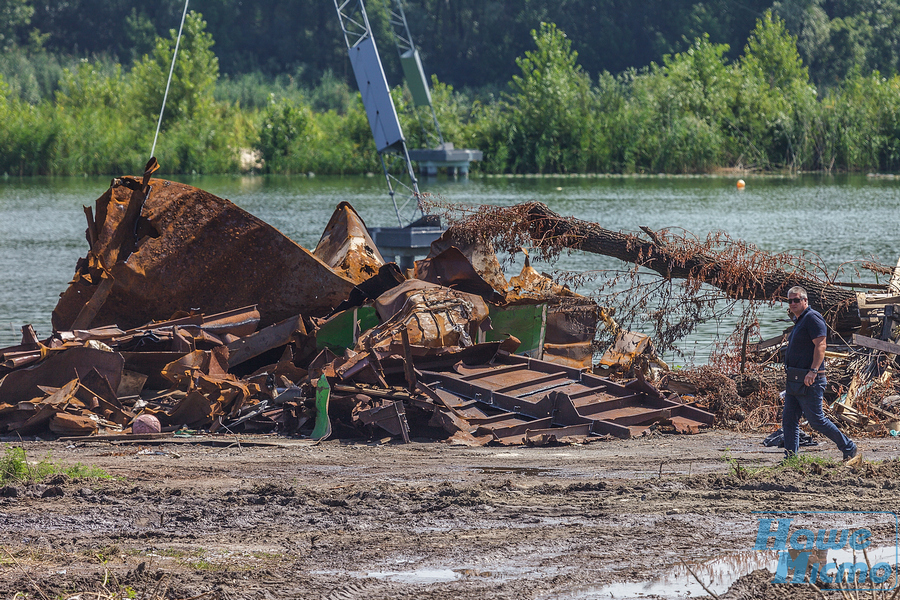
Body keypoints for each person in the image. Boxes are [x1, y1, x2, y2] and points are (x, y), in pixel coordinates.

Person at [782, 286, 858, 462]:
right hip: (795, 379)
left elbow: (821, 345)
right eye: (790, 300)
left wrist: (813, 371)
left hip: (810, 380)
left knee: (816, 420)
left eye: (796, 300)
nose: (793, 303)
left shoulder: (812, 318)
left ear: (805, 301)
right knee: (789, 420)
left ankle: (848, 446)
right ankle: (791, 459)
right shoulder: (800, 320)